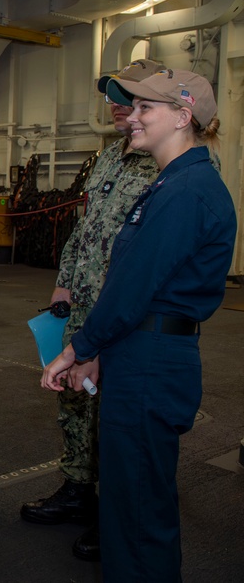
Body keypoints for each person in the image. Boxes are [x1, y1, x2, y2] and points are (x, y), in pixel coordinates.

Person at [42, 69, 235, 581]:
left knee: (139, 507)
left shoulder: (186, 191)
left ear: (182, 116)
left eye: (147, 107)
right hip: (138, 348)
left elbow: (133, 285)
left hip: (150, 357)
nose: (133, 116)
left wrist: (81, 346)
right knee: (128, 501)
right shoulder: (174, 182)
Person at [20, 59, 164, 560]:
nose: (116, 103)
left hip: (125, 314)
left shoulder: (165, 165)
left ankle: (117, 513)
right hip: (82, 304)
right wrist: (63, 283)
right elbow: (85, 229)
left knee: (119, 416)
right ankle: (79, 489)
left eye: (129, 96)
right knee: (76, 403)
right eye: (112, 94)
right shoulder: (108, 158)